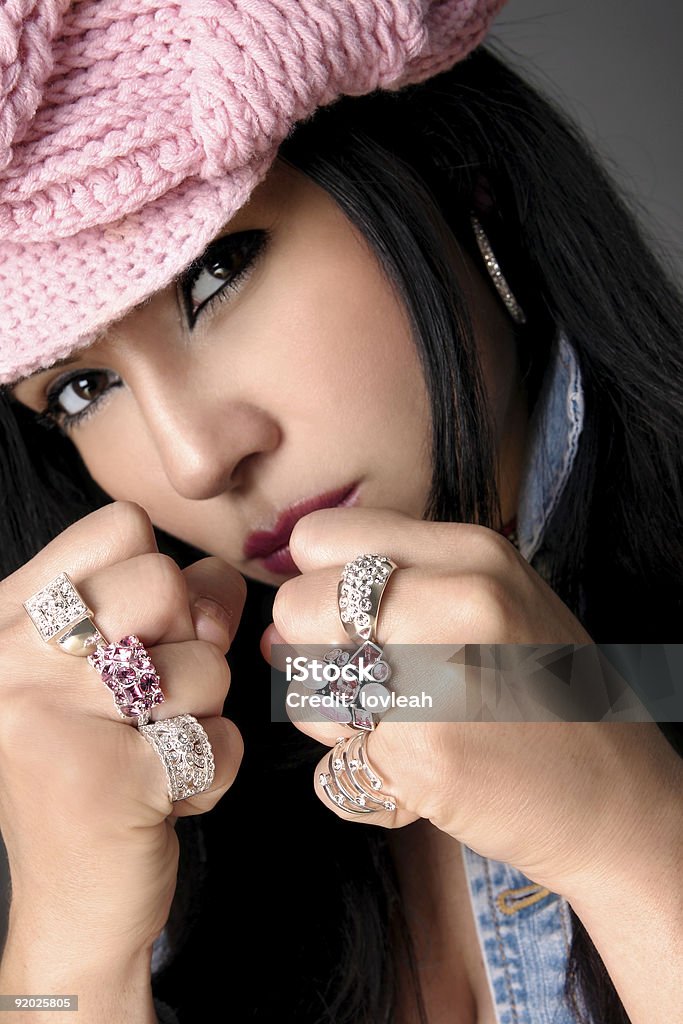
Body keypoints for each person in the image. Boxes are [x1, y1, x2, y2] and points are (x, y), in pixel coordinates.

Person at [0, 3, 681, 1023]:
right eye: (82, 391)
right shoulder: (192, 771)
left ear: (454, 172)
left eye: (218, 274)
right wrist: (68, 948)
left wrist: (636, 842)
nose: (193, 462)